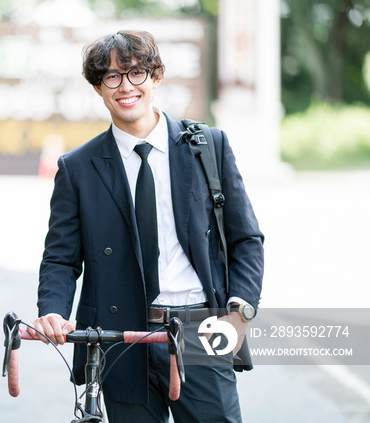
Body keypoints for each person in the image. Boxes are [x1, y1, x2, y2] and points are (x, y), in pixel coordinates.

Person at [29, 30, 264, 423]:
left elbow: (247, 240)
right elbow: (60, 259)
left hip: (200, 329)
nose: (125, 86)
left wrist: (238, 315)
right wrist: (52, 310)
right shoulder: (77, 168)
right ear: (98, 87)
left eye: (136, 73)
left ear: (155, 77)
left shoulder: (208, 146)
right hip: (119, 336)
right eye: (111, 76)